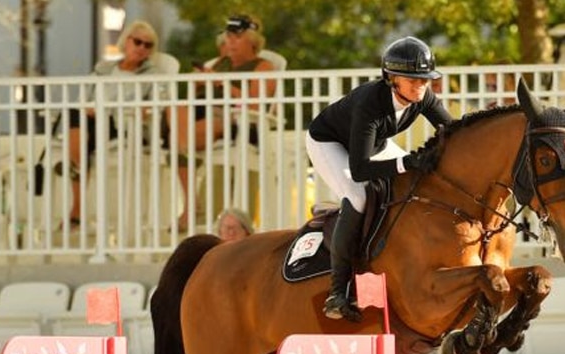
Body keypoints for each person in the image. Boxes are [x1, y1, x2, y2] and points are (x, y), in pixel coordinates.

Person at [306, 35, 453, 322]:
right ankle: (337, 292)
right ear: (391, 79)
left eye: (425, 79)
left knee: (412, 181)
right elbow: (360, 170)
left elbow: (455, 130)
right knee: (359, 196)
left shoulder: (423, 98)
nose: (421, 85)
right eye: (413, 79)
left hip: (373, 142)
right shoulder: (370, 104)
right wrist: (408, 161)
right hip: (329, 143)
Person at [170, 14, 278, 226]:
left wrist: (222, 83)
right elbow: (193, 101)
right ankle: (191, 197)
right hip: (203, 118)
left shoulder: (262, 66)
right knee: (177, 109)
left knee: (183, 139)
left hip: (239, 121)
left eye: (236, 37)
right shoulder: (219, 63)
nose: (230, 42)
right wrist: (198, 83)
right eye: (227, 37)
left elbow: (257, 104)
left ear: (252, 41)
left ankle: (185, 158)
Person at [59, 21, 169, 226]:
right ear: (125, 41)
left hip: (123, 126)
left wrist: (132, 110)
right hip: (93, 122)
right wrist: (89, 108)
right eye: (138, 42)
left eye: (148, 45)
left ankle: (76, 205)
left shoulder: (153, 75)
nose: (142, 48)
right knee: (76, 115)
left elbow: (156, 104)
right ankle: (77, 186)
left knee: (86, 128)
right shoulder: (104, 69)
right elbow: (83, 98)